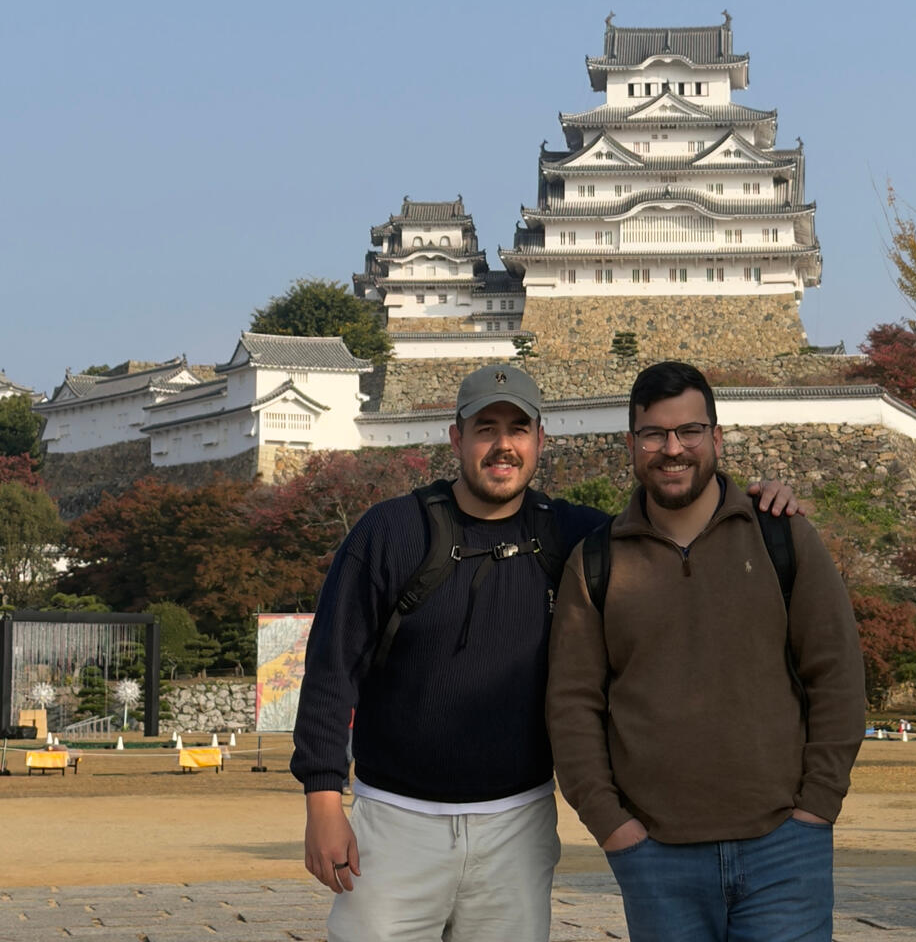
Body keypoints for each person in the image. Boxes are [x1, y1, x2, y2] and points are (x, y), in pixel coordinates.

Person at [290, 363, 799, 942]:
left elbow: (673, 529)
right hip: (394, 821)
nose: (502, 446)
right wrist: (323, 803)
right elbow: (331, 670)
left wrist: (754, 503)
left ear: (540, 440)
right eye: (485, 429)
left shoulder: (574, 537)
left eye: (517, 429)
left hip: (518, 825)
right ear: (456, 438)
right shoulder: (391, 531)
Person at [547, 360, 866, 942]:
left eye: (689, 431)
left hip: (784, 851)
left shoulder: (781, 534)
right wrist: (612, 825)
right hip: (656, 857)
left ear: (716, 438)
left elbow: (837, 674)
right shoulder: (597, 561)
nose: (673, 449)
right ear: (631, 445)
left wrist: (817, 806)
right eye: (654, 434)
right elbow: (572, 704)